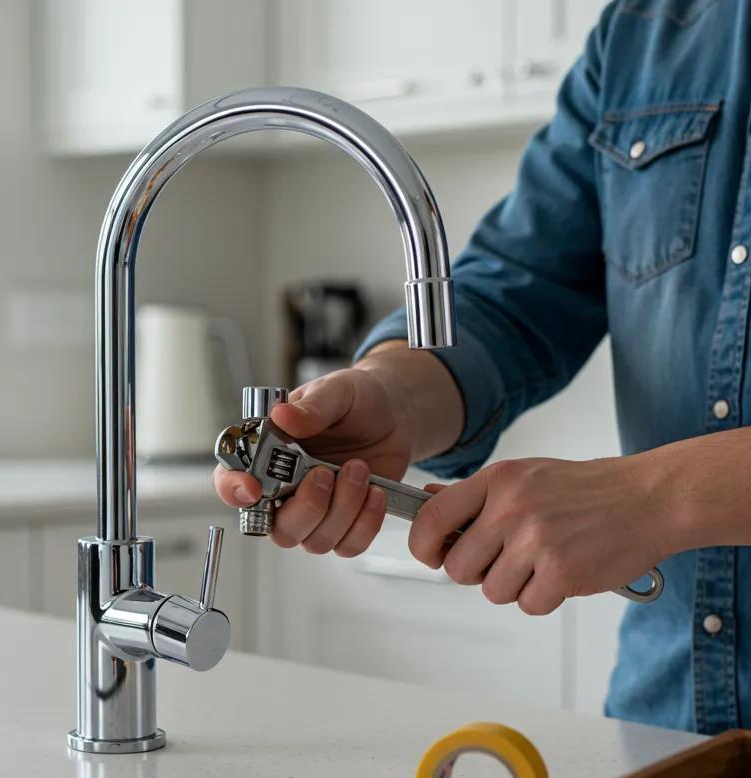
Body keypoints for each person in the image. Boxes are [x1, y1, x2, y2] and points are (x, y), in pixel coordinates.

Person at [215, 0, 751, 735]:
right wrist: (389, 393)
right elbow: (514, 294)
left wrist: (658, 498)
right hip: (666, 726)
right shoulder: (643, 33)